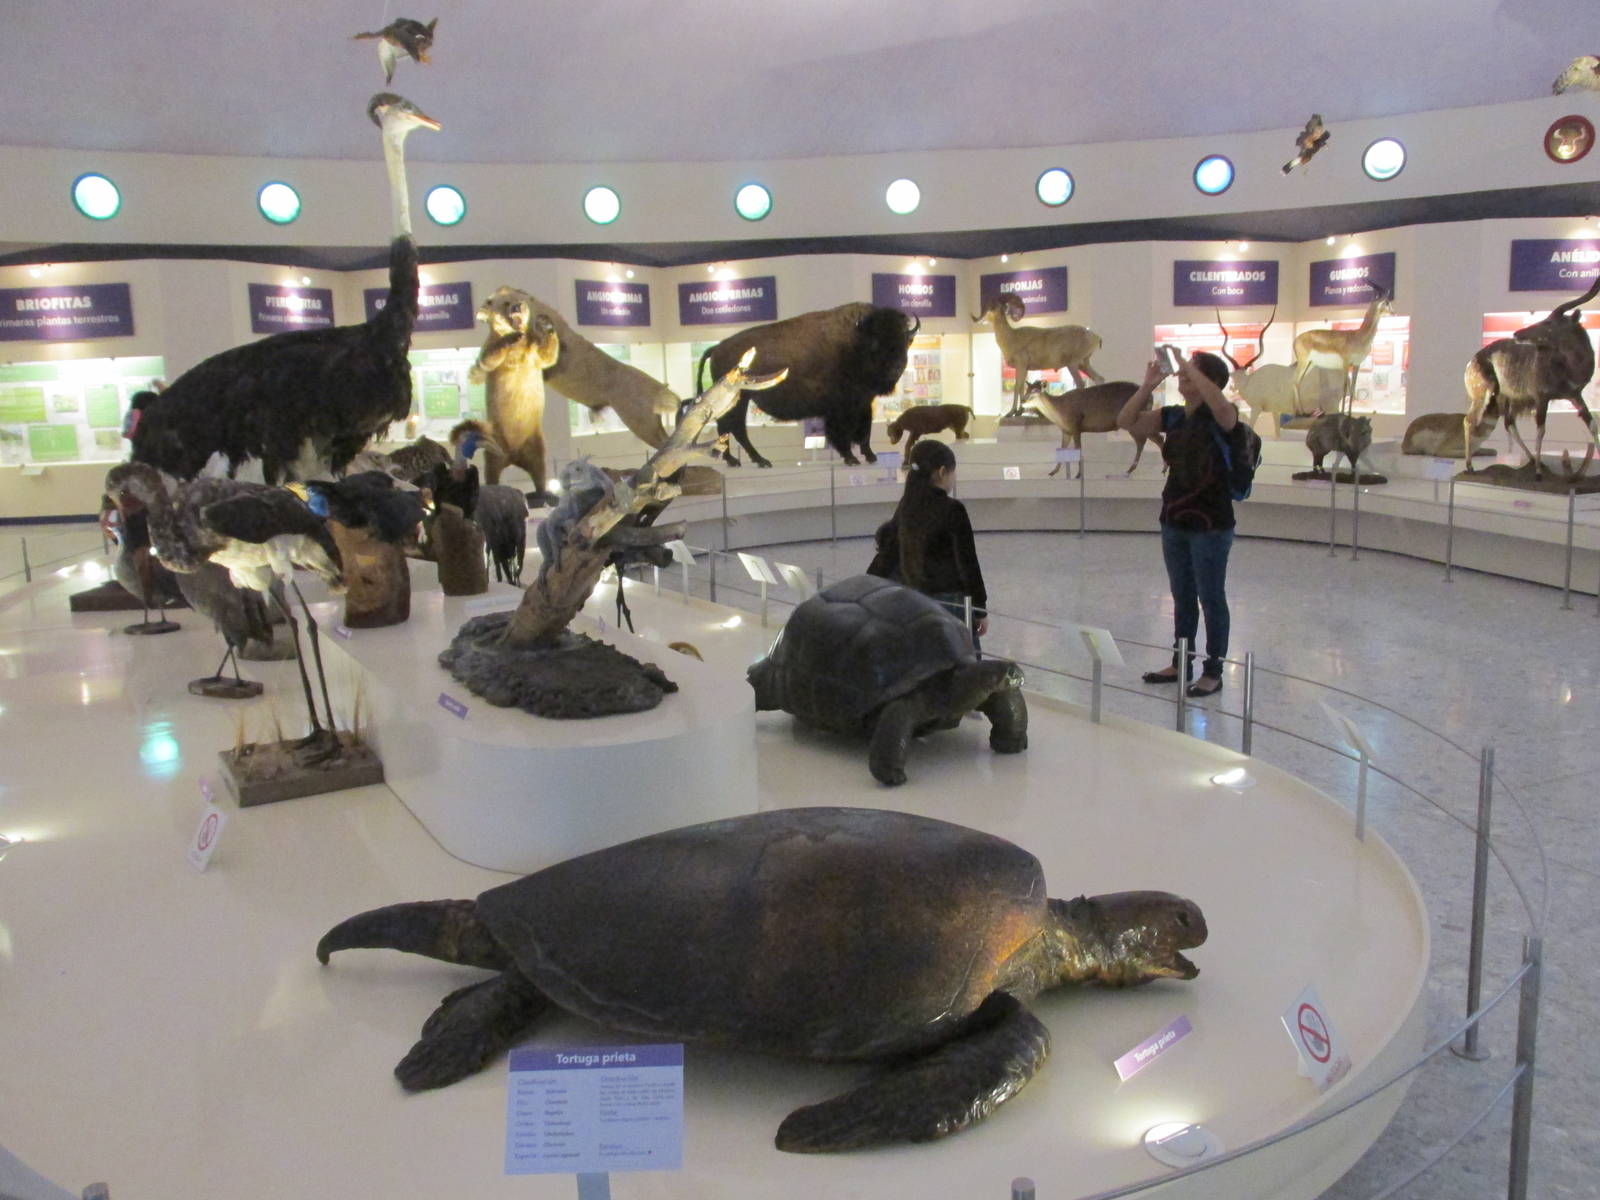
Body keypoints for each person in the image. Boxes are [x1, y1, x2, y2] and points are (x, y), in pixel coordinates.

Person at [1116, 349, 1242, 698]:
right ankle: (1180, 661)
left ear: (1212, 382)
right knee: (1182, 595)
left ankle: (1213, 670)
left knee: (1211, 596)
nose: (1183, 377)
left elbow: (1221, 408)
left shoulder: (1224, 417)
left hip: (1211, 523)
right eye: (1183, 373)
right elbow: (1126, 420)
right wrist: (1147, 386)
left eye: (1193, 373)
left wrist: (1191, 368)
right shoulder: (1172, 417)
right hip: (1174, 517)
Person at [867, 438, 989, 649]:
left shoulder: (907, 505)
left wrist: (867, 586)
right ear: (942, 472)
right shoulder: (953, 509)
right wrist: (979, 609)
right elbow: (968, 564)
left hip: (914, 604)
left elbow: (889, 553)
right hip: (949, 605)